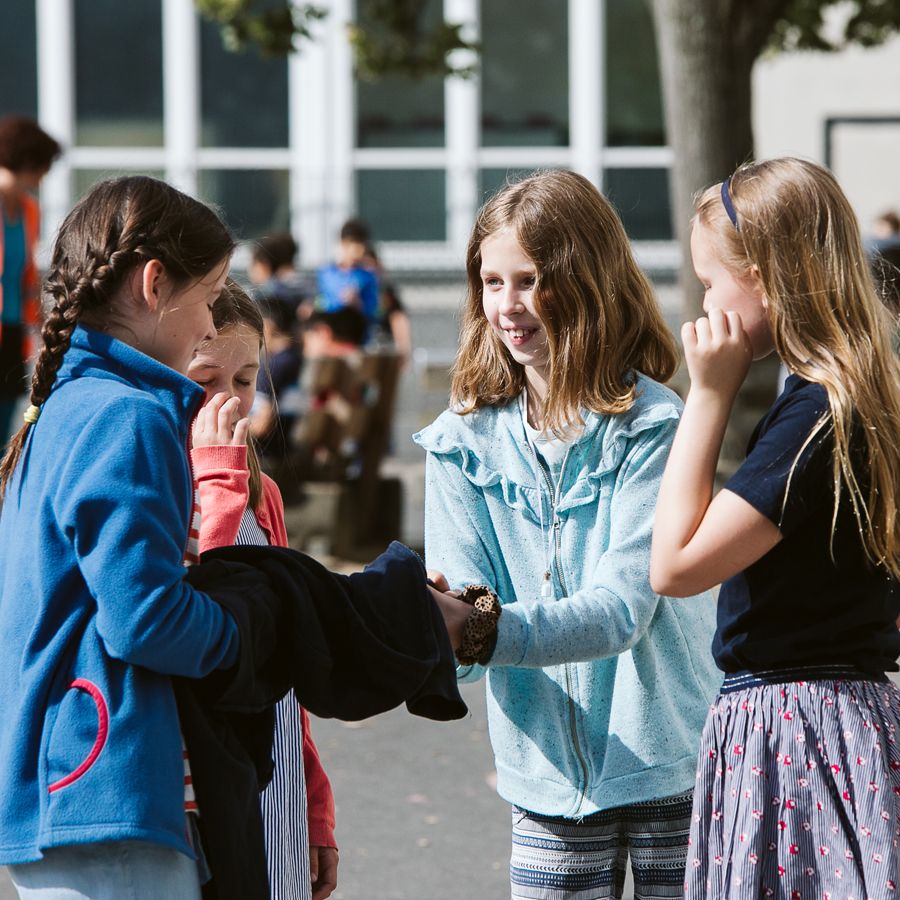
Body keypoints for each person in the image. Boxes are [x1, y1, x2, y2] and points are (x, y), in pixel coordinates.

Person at [414, 169, 721, 900]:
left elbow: (622, 607)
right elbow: (464, 643)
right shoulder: (460, 441)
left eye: (530, 281)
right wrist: (426, 630)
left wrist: (477, 629)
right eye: (491, 282)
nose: (506, 307)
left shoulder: (653, 426)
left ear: (587, 280)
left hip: (672, 764)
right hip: (544, 776)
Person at [650, 157, 900, 898]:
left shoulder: (815, 417)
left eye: (710, 281)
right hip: (845, 718)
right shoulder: (860, 400)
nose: (703, 302)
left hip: (796, 730)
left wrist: (708, 395)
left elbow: (674, 565)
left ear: (760, 275)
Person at [0, 174, 238, 897]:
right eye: (208, 297)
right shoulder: (128, 416)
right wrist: (246, 630)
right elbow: (147, 619)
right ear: (155, 283)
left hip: (58, 790)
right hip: (107, 795)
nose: (209, 326)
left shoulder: (62, 408)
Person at [188, 281, 338, 900]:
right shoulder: (166, 485)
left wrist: (317, 801)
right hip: (208, 791)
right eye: (204, 380)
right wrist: (216, 471)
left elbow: (282, 652)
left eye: (245, 380)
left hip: (278, 785)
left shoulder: (263, 494)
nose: (227, 400)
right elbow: (208, 601)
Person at [0, 116, 61, 442]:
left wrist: (42, 325)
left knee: (7, 413)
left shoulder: (28, 210)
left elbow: (27, 272)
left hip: (11, 328)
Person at [252, 292, 304, 459]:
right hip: (290, 448)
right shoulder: (297, 359)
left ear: (267, 325)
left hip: (268, 454)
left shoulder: (271, 367)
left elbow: (262, 424)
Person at [316, 218, 380, 336]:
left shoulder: (367, 277)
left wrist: (359, 304)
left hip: (358, 334)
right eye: (355, 248)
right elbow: (322, 301)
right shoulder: (327, 273)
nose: (360, 252)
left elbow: (373, 309)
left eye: (363, 248)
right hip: (332, 333)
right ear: (343, 244)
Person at [362, 244, 412, 367]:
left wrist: (404, 349)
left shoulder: (384, 291)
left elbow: (398, 317)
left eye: (371, 266)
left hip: (381, 343)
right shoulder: (349, 293)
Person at [248, 232, 314, 321]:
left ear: (264, 264)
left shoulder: (264, 295)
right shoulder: (310, 285)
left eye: (253, 263)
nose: (250, 270)